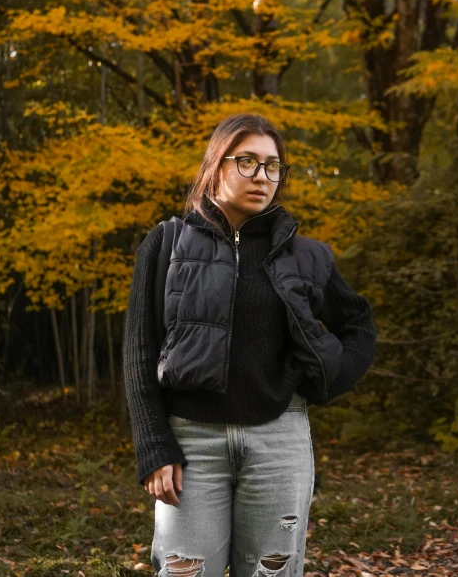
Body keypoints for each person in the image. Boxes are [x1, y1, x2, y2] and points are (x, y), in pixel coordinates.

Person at [123, 113, 377, 577]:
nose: (262, 177)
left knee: (271, 572)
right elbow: (139, 352)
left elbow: (358, 321)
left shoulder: (306, 255)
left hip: (279, 442)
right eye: (247, 162)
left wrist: (328, 378)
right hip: (191, 444)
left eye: (272, 166)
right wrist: (153, 445)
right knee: (186, 571)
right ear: (216, 166)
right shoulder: (166, 244)